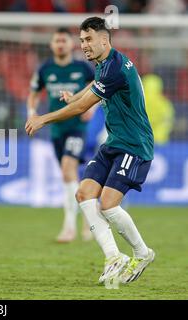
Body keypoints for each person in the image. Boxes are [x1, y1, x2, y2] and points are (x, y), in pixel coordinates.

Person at [25, 17, 155, 285]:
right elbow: (94, 85)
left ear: (104, 40)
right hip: (114, 142)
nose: (83, 45)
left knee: (107, 204)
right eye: (82, 40)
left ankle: (142, 253)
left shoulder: (116, 68)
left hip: (134, 145)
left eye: (89, 40)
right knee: (84, 193)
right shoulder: (105, 63)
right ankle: (113, 258)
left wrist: (43, 118)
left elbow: (82, 108)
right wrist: (75, 96)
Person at [27, 27, 95, 243]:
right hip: (56, 129)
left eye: (64, 41)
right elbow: (34, 93)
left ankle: (69, 227)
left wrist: (92, 106)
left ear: (71, 44)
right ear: (51, 45)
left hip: (77, 128)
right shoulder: (45, 69)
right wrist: (32, 112)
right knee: (70, 176)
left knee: (68, 168)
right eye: (57, 41)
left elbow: (98, 85)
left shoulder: (82, 67)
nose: (60, 45)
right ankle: (89, 216)